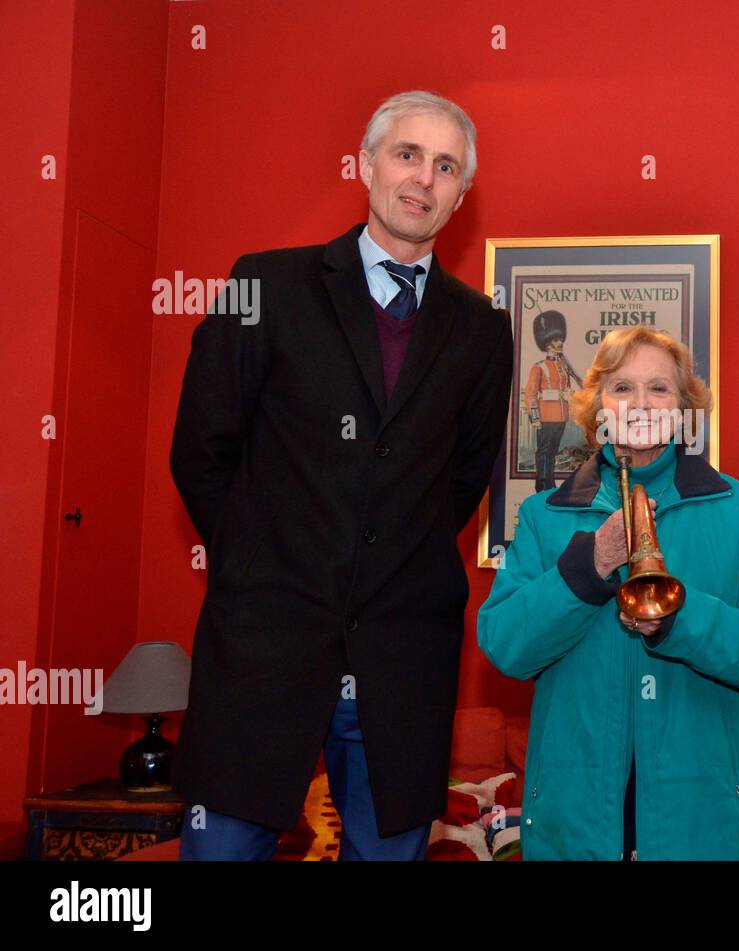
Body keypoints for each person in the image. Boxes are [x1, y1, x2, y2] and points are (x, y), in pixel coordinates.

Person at [169, 90, 513, 860]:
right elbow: (200, 450)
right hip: (262, 648)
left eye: (446, 166)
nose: (423, 177)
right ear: (365, 165)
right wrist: (258, 564)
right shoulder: (265, 285)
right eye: (407, 154)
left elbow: (460, 482)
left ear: (460, 195)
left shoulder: (484, 330)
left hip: (402, 661)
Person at [478, 327, 739, 860]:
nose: (641, 403)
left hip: (708, 820)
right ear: (597, 407)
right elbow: (506, 646)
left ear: (684, 408)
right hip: (575, 819)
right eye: (622, 388)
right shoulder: (543, 515)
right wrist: (589, 566)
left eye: (659, 388)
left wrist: (680, 619)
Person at [524, 309, 581, 492]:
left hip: (560, 416)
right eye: (556, 340)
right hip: (546, 415)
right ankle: (542, 482)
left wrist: (570, 395)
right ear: (548, 343)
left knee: (553, 451)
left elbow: (568, 389)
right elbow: (531, 394)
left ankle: (549, 481)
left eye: (561, 339)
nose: (560, 342)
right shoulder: (539, 367)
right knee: (544, 451)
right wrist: (535, 418)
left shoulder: (563, 367)